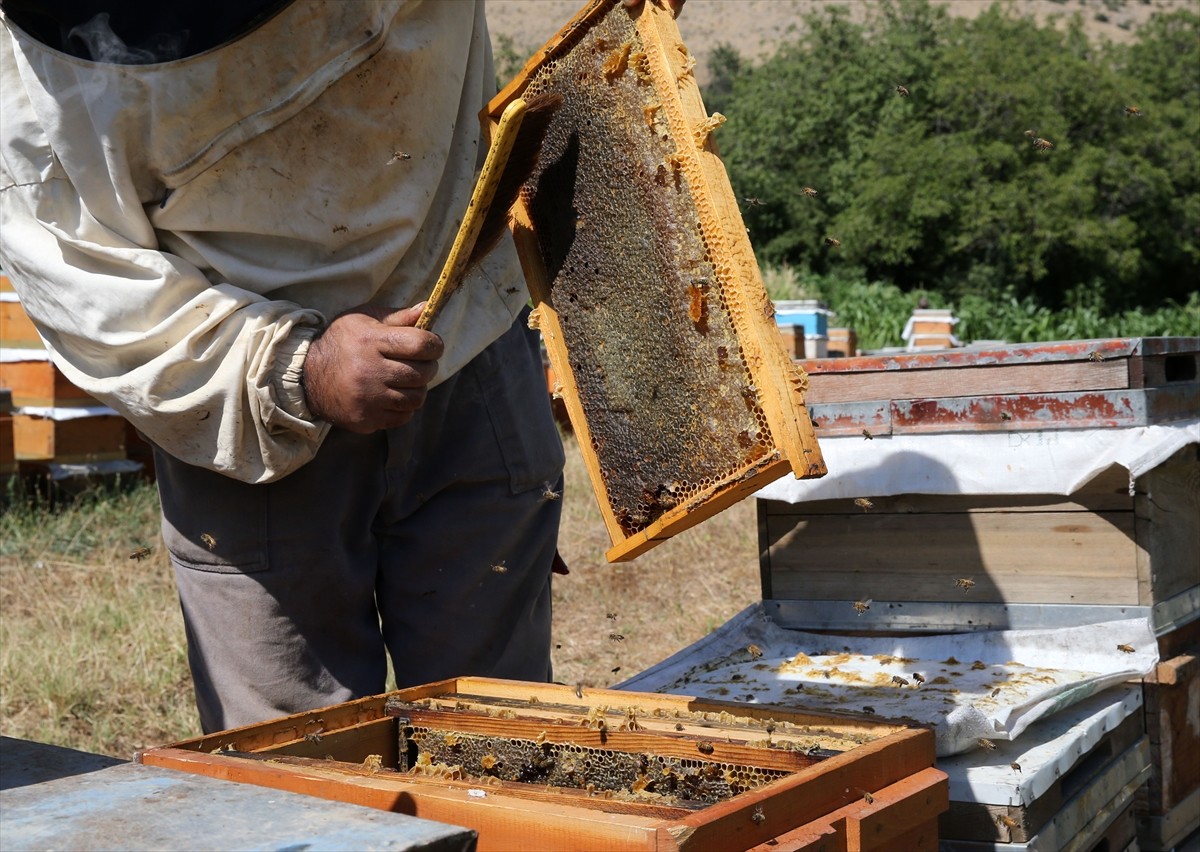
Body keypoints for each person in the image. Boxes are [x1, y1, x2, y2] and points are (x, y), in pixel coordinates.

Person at [0, 0, 573, 734]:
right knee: (297, 776)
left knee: (498, 735)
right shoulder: (29, 78)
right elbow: (96, 297)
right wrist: (299, 369)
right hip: (241, 416)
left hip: (466, 343)